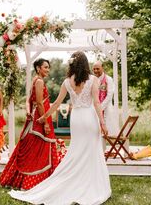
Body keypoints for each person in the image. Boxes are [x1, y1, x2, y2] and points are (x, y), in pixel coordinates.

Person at [9, 51, 111, 205]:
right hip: (89, 117)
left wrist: (44, 116)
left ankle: (76, 181)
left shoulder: (67, 82)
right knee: (91, 150)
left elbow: (56, 104)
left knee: (77, 150)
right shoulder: (93, 80)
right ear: (85, 63)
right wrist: (103, 123)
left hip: (76, 119)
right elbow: (97, 103)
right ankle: (89, 184)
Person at [0, 58, 60, 190]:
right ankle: (33, 181)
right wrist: (45, 122)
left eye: (48, 67)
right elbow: (38, 102)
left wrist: (29, 112)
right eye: (45, 67)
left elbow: (29, 101)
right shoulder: (39, 81)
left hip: (36, 117)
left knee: (35, 148)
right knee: (37, 148)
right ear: (38, 68)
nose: (48, 70)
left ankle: (30, 180)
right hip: (39, 119)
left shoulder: (35, 80)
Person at [92, 61, 119, 152]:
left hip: (105, 108)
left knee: (105, 131)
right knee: (95, 130)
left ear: (102, 68)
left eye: (97, 68)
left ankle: (102, 152)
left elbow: (109, 95)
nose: (95, 70)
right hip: (94, 108)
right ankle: (96, 151)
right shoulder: (91, 79)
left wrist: (100, 108)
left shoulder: (108, 79)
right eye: (94, 69)